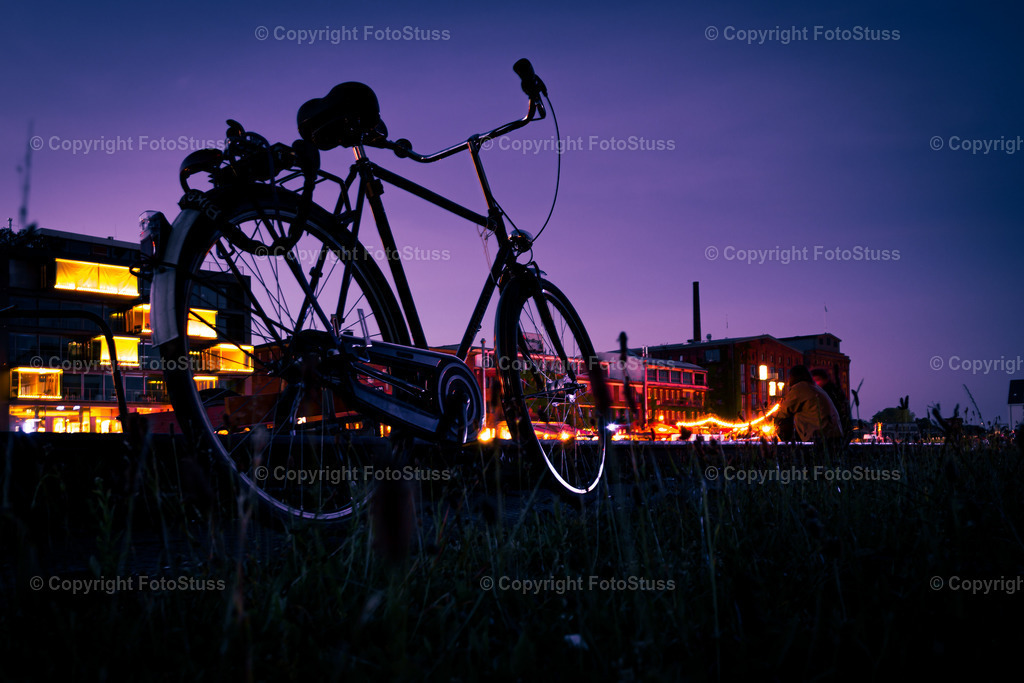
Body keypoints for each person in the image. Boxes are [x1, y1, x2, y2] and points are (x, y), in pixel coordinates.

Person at [775, 365, 843, 446]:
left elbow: (783, 412)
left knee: (781, 420)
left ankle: (788, 447)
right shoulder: (814, 387)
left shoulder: (800, 388)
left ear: (792, 377)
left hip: (819, 437)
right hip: (834, 434)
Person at [811, 368, 852, 443]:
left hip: (833, 434)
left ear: (825, 379)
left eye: (817, 380)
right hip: (842, 432)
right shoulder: (835, 391)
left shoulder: (826, 393)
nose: (815, 384)